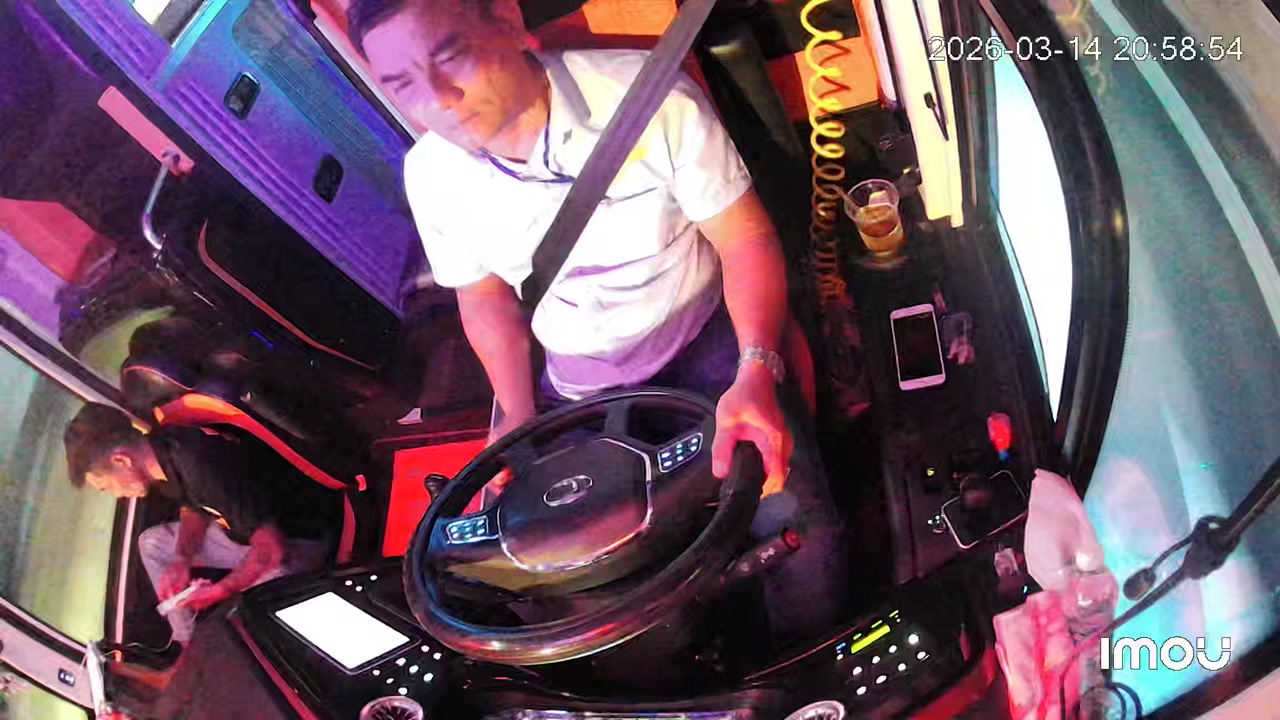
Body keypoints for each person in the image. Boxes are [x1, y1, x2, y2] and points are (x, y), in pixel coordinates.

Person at [348, 0, 845, 642]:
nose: (438, 100)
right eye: (404, 84)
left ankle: (802, 654)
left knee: (795, 527)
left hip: (704, 342)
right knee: (565, 573)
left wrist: (756, 365)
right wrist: (514, 414)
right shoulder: (430, 174)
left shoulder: (651, 100)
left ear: (507, 20)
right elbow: (485, 298)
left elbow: (745, 240)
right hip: (575, 385)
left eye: (452, 57)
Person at [64, 404, 340, 647]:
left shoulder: (198, 465)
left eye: (106, 486)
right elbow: (195, 507)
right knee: (152, 543)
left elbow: (271, 549)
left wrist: (222, 591)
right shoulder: (164, 451)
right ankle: (187, 641)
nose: (116, 494)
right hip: (245, 537)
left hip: (295, 542)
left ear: (121, 460)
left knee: (240, 627)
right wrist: (182, 559)